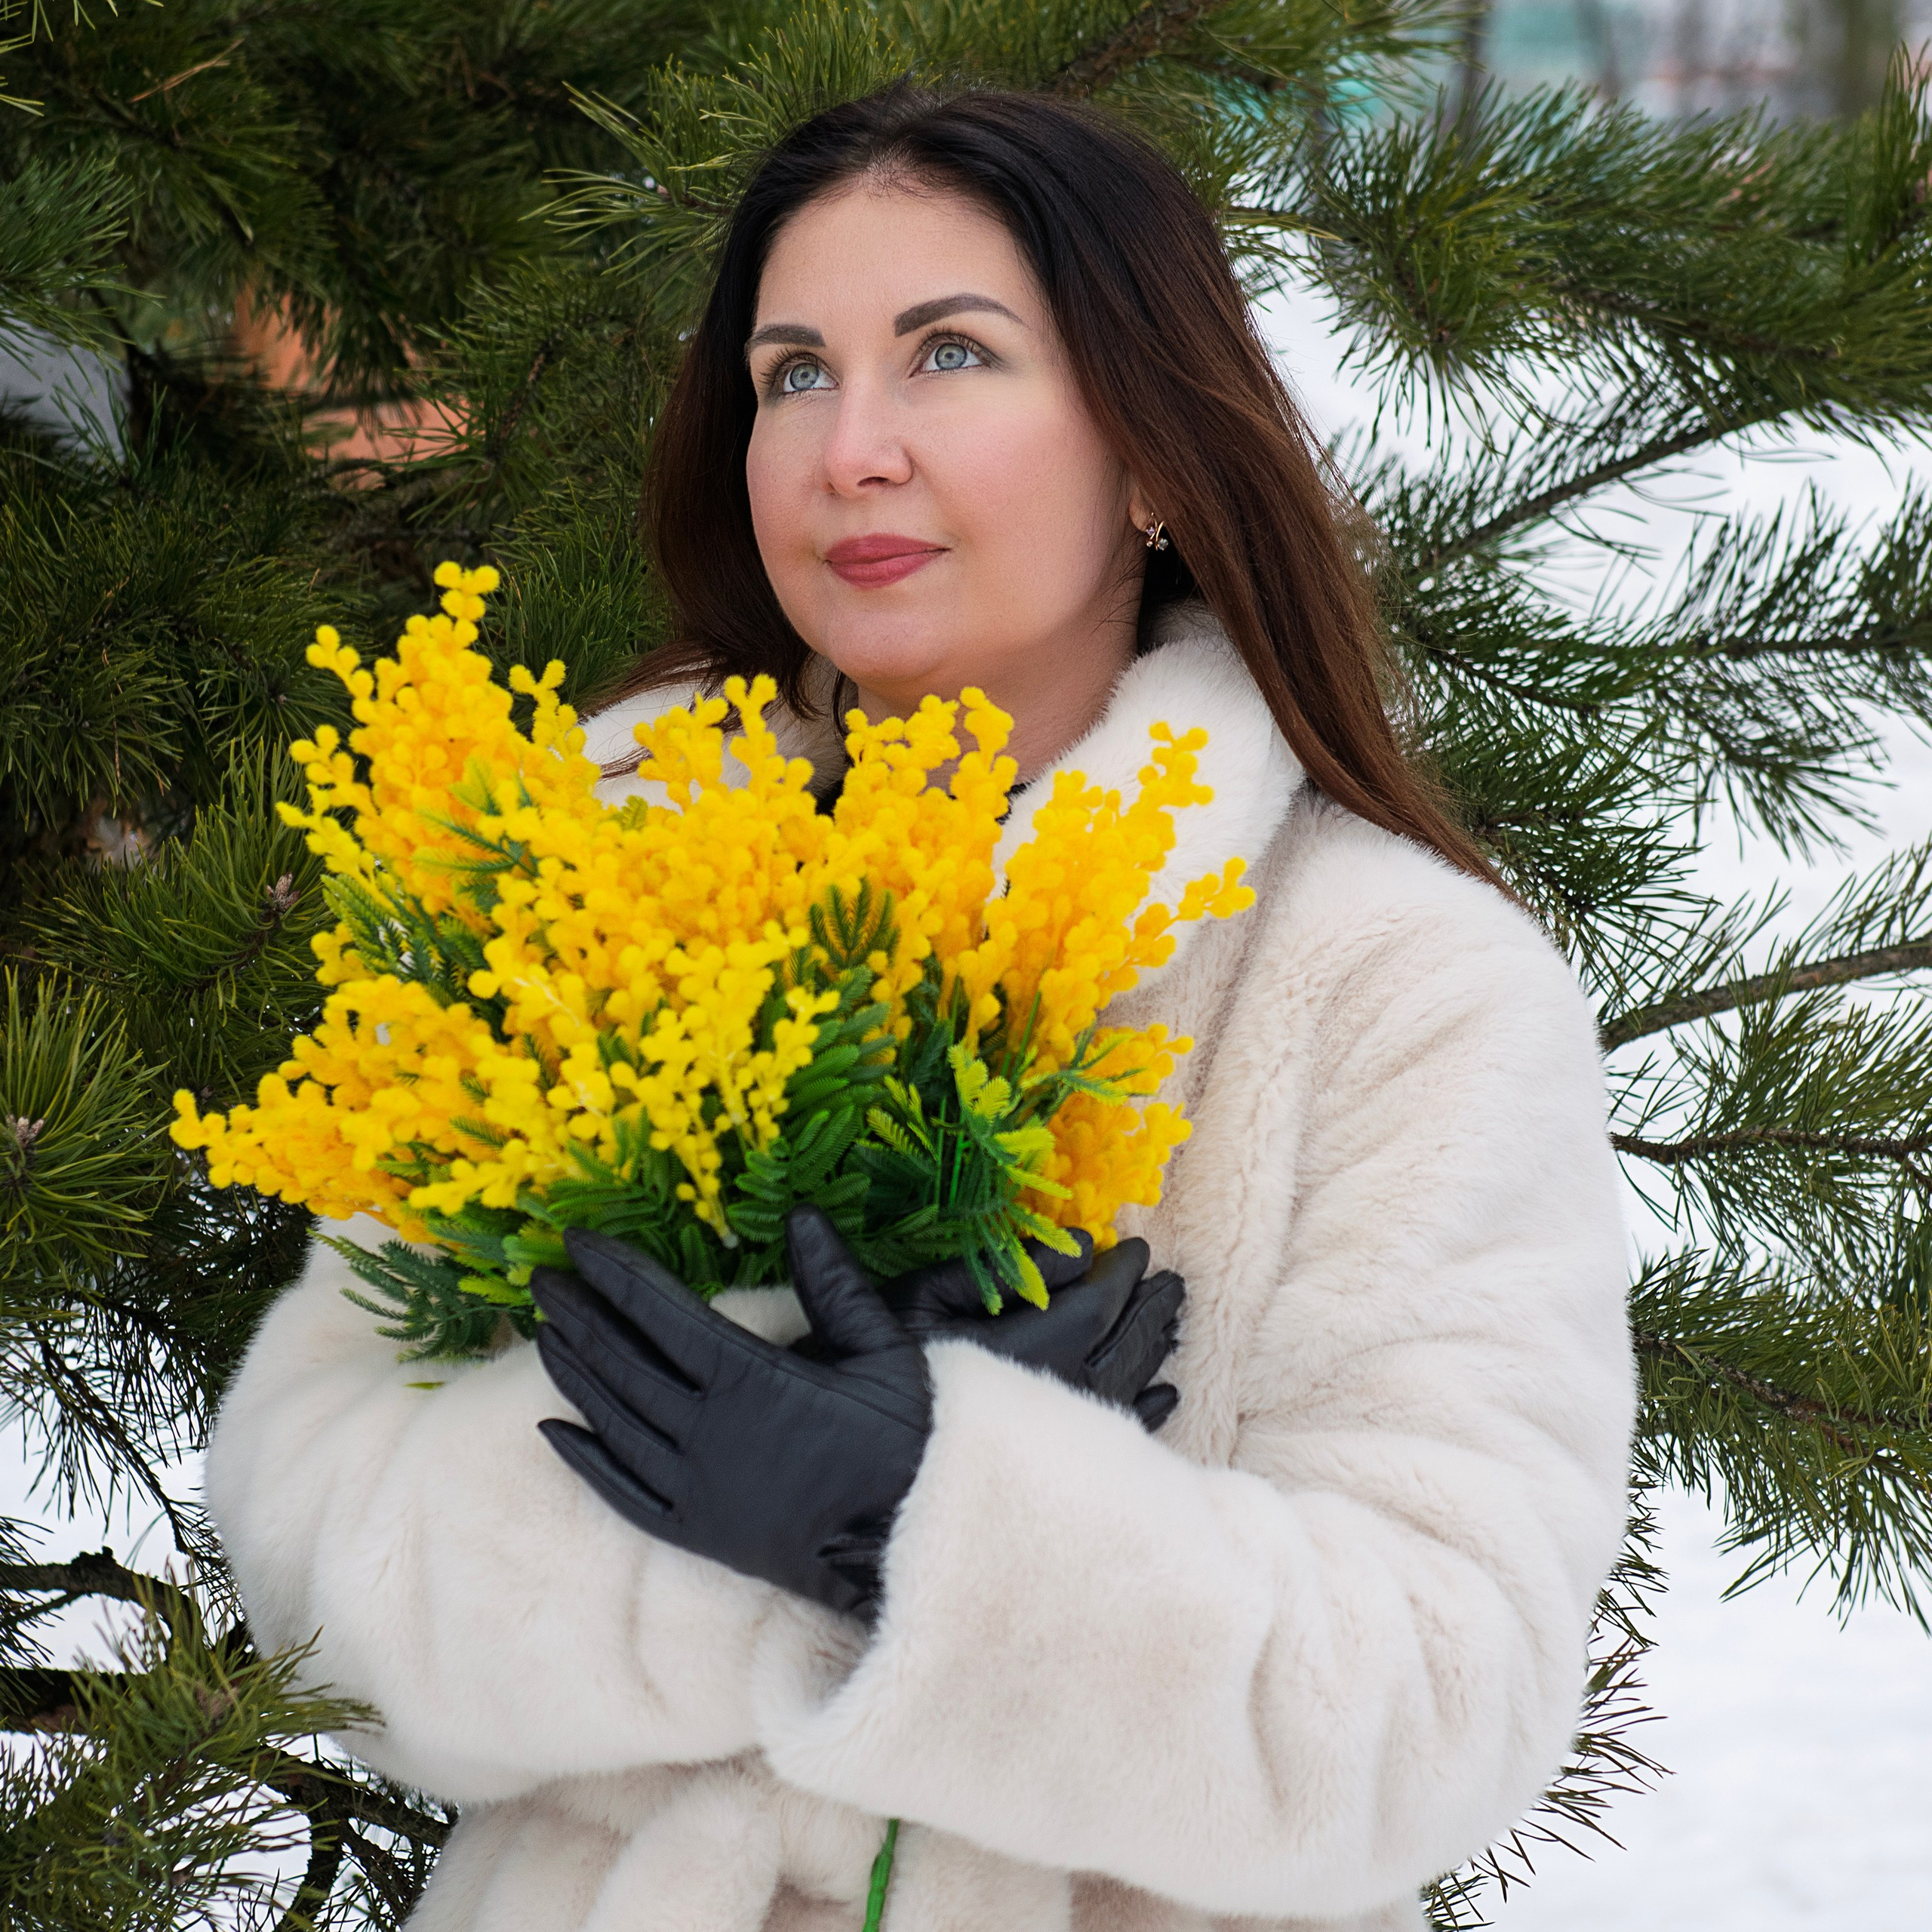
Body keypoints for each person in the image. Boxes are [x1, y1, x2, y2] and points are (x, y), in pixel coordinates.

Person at [206, 85, 1635, 1932]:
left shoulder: (1396, 988)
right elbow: (311, 1555)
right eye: (792, 374)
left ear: (1151, 452)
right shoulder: (571, 883)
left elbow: (1437, 1702)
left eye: (948, 355)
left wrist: (926, 1523)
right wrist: (742, 1528)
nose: (849, 450)